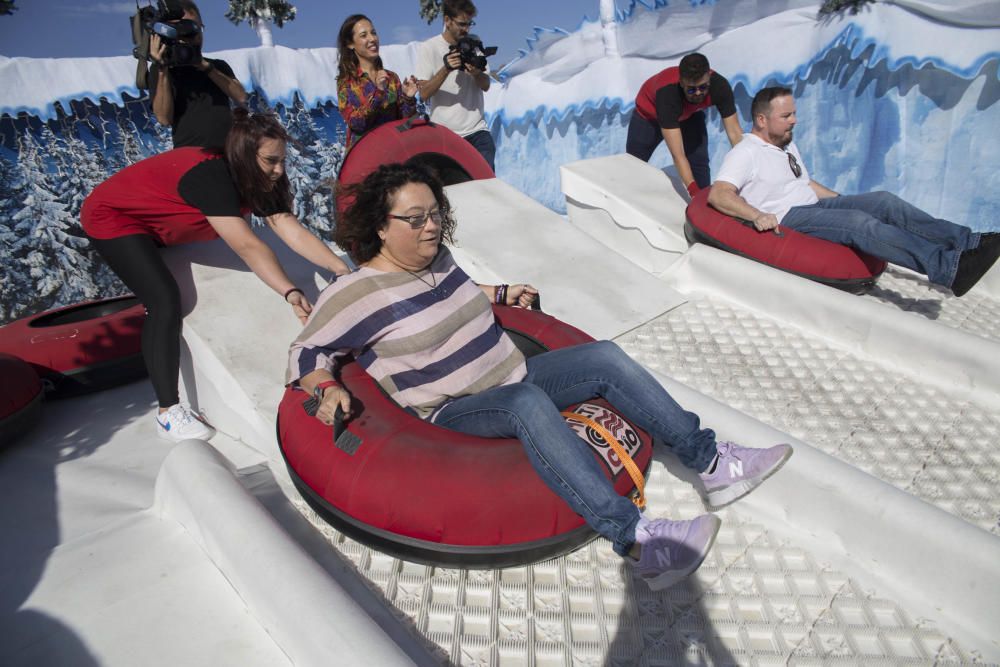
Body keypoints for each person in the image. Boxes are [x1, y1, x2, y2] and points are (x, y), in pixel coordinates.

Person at [286, 162, 792, 590]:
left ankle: (711, 464)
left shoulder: (437, 259)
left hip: (515, 369)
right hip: (458, 408)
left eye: (435, 213)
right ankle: (637, 542)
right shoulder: (354, 294)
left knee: (604, 356)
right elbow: (306, 350)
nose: (431, 227)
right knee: (525, 405)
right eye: (415, 219)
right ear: (380, 225)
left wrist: (500, 293)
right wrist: (326, 387)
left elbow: (455, 295)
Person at [83, 110, 350, 442]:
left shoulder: (261, 176)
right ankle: (168, 413)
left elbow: (286, 226)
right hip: (115, 217)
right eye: (271, 160)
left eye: (282, 160)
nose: (279, 169)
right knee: (164, 300)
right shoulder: (212, 177)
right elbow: (247, 245)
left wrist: (341, 270)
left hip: (164, 221)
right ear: (244, 156)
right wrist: (290, 291)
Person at [708, 86, 1000, 297]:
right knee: (860, 225)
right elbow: (719, 194)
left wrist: (843, 202)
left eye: (794, 113)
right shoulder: (745, 152)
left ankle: (968, 241)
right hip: (788, 217)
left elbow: (804, 183)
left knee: (883, 202)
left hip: (814, 206)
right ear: (762, 120)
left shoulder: (785, 144)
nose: (794, 120)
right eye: (786, 116)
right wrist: (757, 215)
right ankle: (947, 268)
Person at [626, 53, 743, 197]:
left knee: (699, 161)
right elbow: (678, 155)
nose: (698, 93)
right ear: (681, 83)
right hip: (648, 116)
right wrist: (692, 191)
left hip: (689, 115)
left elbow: (735, 134)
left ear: (709, 78)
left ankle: (703, 203)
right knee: (633, 164)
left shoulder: (720, 87)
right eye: (691, 89)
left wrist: (748, 170)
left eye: (703, 87)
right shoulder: (668, 95)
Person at [149, 1, 248, 149]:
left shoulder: (217, 66)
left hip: (227, 152)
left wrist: (204, 66)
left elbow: (241, 97)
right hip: (189, 155)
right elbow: (164, 118)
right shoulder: (163, 70)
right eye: (182, 28)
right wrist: (162, 69)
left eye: (195, 28)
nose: (190, 34)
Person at [415, 0, 495, 170]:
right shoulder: (429, 47)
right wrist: (446, 69)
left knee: (487, 189)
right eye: (461, 24)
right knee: (451, 192)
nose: (466, 29)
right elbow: (422, 94)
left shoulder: (475, 42)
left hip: (477, 131)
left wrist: (475, 73)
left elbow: (486, 84)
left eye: (469, 24)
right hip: (444, 135)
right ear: (447, 20)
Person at [336, 14, 418, 151]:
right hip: (364, 157)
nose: (372, 39)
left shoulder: (391, 78)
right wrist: (378, 93)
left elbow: (405, 123)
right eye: (364, 35)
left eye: (373, 33)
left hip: (393, 153)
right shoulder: (346, 82)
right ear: (350, 44)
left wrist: (408, 98)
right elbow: (357, 124)